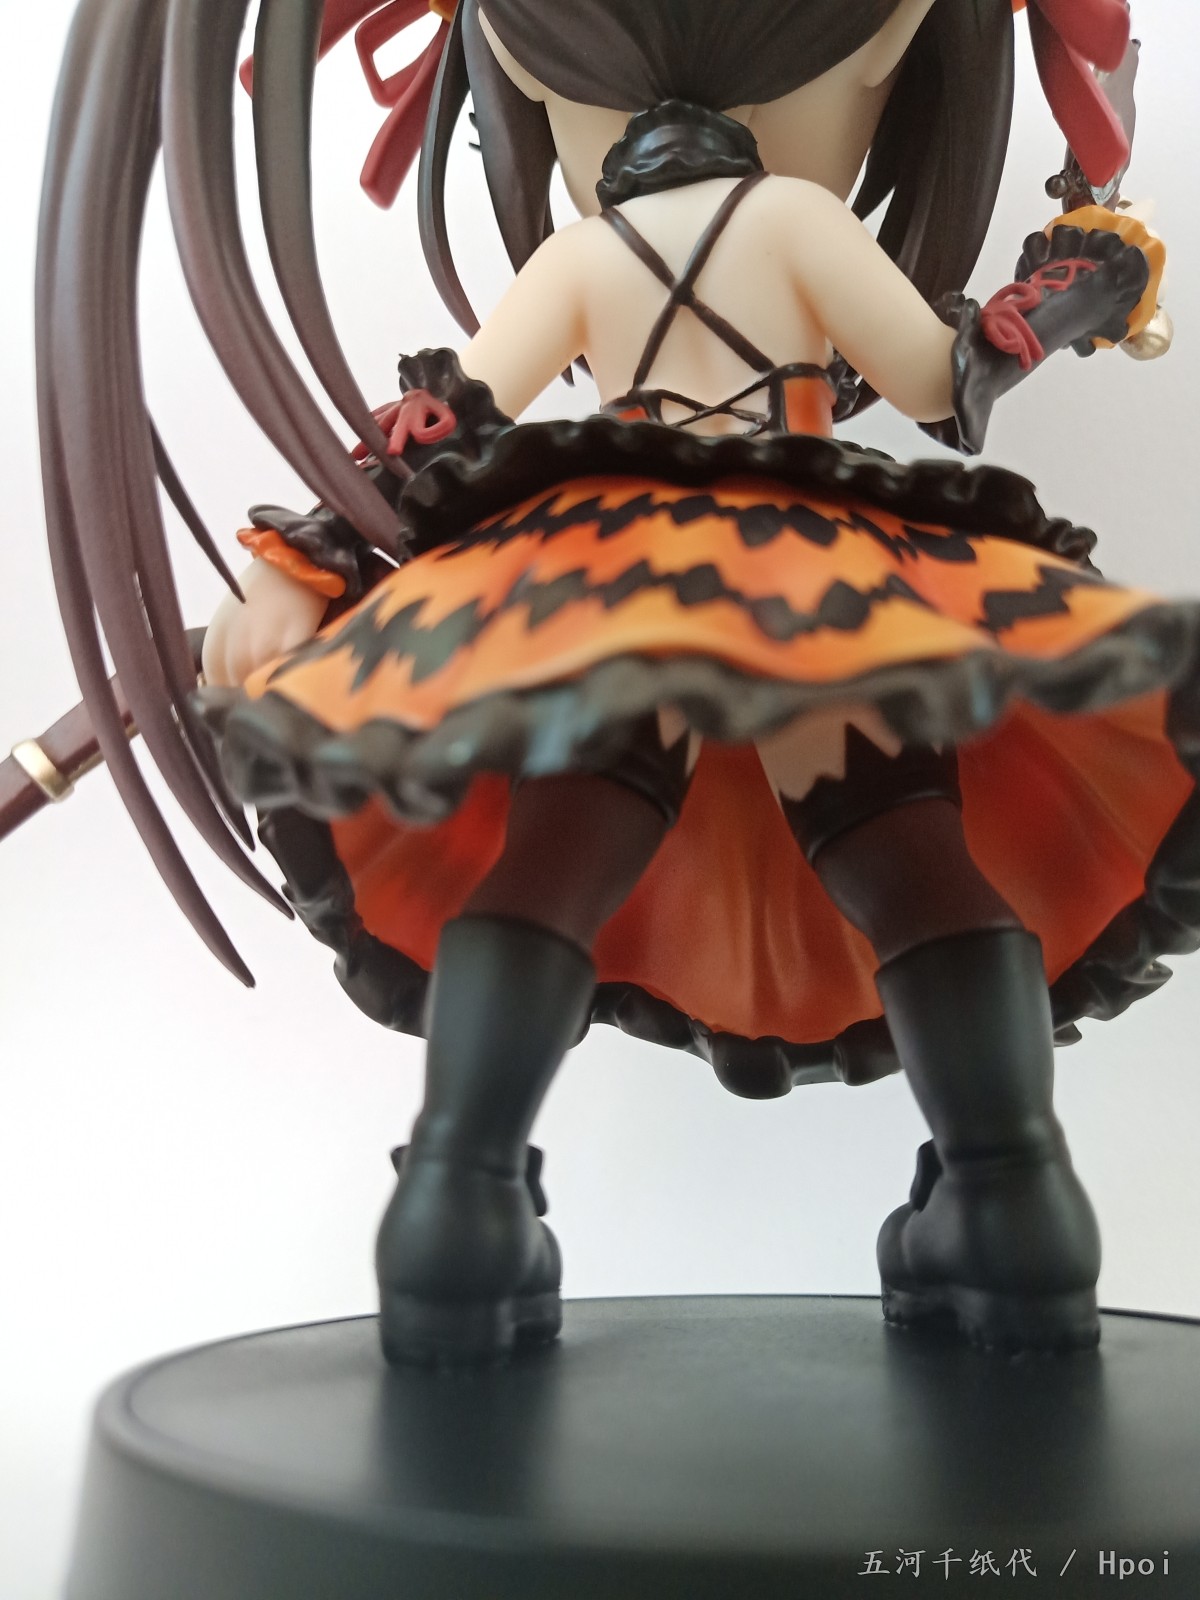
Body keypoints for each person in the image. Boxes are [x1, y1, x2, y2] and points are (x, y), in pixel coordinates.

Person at [37, 0, 1187, 1363]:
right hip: (812, 573)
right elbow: (944, 382)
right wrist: (1066, 290)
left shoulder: (582, 249)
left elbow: (433, 430)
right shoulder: (800, 219)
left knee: (554, 864)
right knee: (909, 854)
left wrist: (297, 562)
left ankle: (456, 1210)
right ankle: (1013, 1205)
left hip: (607, 575)